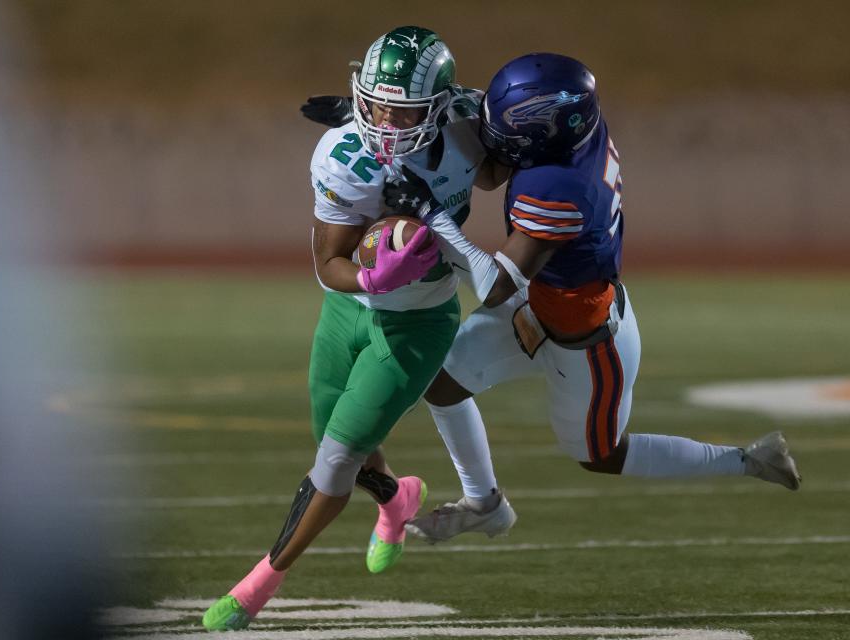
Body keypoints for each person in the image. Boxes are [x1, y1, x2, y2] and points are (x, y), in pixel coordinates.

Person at [376, 53, 802, 543]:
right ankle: (483, 504)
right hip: (540, 303)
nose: (492, 135)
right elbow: (489, 136)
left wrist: (431, 215)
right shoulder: (576, 128)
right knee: (442, 382)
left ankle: (749, 460)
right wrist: (387, 115)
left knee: (601, 456)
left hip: (587, 338)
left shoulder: (557, 185)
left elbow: (495, 287)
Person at [203, 26, 495, 631]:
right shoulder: (344, 156)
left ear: (438, 108)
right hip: (348, 309)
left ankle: (255, 589)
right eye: (374, 101)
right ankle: (397, 498)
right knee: (337, 447)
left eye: (403, 107)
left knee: (334, 463)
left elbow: (491, 172)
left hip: (418, 322)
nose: (384, 119)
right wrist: (370, 279)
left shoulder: (467, 124)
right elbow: (329, 262)